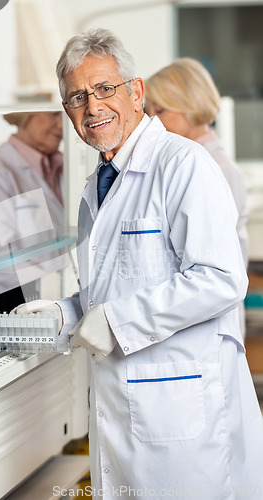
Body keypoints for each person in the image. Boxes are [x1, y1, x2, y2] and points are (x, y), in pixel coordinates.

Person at [15, 29, 263, 499]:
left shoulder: (183, 164)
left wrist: (116, 320)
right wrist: (64, 313)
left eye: (105, 89)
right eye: (76, 98)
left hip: (181, 415)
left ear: (136, 92)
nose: (92, 108)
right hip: (126, 411)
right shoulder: (99, 184)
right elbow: (108, 290)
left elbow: (220, 278)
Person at [144, 58, 249, 336]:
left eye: (161, 109)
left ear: (189, 106)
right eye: (149, 109)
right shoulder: (184, 161)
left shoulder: (216, 167)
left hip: (209, 321)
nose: (153, 118)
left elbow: (213, 274)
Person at [0, 111, 65, 300]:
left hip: (60, 308)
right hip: (14, 310)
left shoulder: (66, 168)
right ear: (24, 115)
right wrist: (62, 286)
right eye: (53, 115)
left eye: (64, 114)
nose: (62, 125)